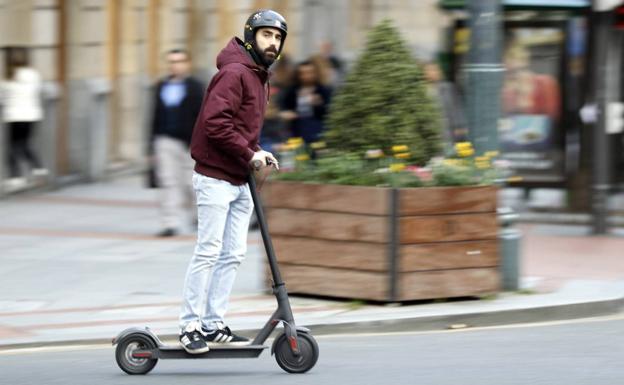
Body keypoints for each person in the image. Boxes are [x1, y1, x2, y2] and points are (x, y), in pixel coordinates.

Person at [178, 9, 286, 354]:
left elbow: (241, 129)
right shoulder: (235, 73)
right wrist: (248, 152)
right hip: (214, 177)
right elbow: (215, 124)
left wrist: (257, 151)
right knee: (208, 252)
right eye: (266, 35)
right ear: (251, 35)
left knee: (234, 254)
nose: (272, 42)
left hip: (240, 178)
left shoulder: (258, 75)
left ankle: (213, 323)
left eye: (278, 37)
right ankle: (189, 326)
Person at [149, 49, 204, 237]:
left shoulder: (196, 87)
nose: (175, 65)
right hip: (164, 140)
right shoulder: (161, 86)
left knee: (191, 183)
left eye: (179, 61)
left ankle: (198, 216)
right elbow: (154, 116)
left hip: (189, 143)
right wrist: (151, 146)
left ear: (187, 64)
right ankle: (169, 222)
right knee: (168, 181)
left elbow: (202, 117)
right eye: (172, 61)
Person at [1, 47, 45, 190]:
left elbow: (2, 98)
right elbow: (38, 90)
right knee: (25, 144)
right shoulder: (34, 75)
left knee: (13, 147)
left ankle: (16, 178)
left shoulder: (8, 78)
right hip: (32, 115)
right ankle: (38, 169)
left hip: (15, 116)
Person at [280, 59, 331, 146]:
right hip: (297, 130)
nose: (306, 76)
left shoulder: (323, 90)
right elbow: (283, 108)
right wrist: (286, 114)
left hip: (318, 129)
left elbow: (329, 112)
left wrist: (318, 105)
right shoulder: (292, 91)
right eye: (302, 73)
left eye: (309, 72)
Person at [422, 61, 468, 147]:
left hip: (446, 129)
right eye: (429, 70)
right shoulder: (421, 90)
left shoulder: (448, 88)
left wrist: (459, 126)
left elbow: (456, 107)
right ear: (424, 73)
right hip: (428, 131)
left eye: (435, 70)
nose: (433, 73)